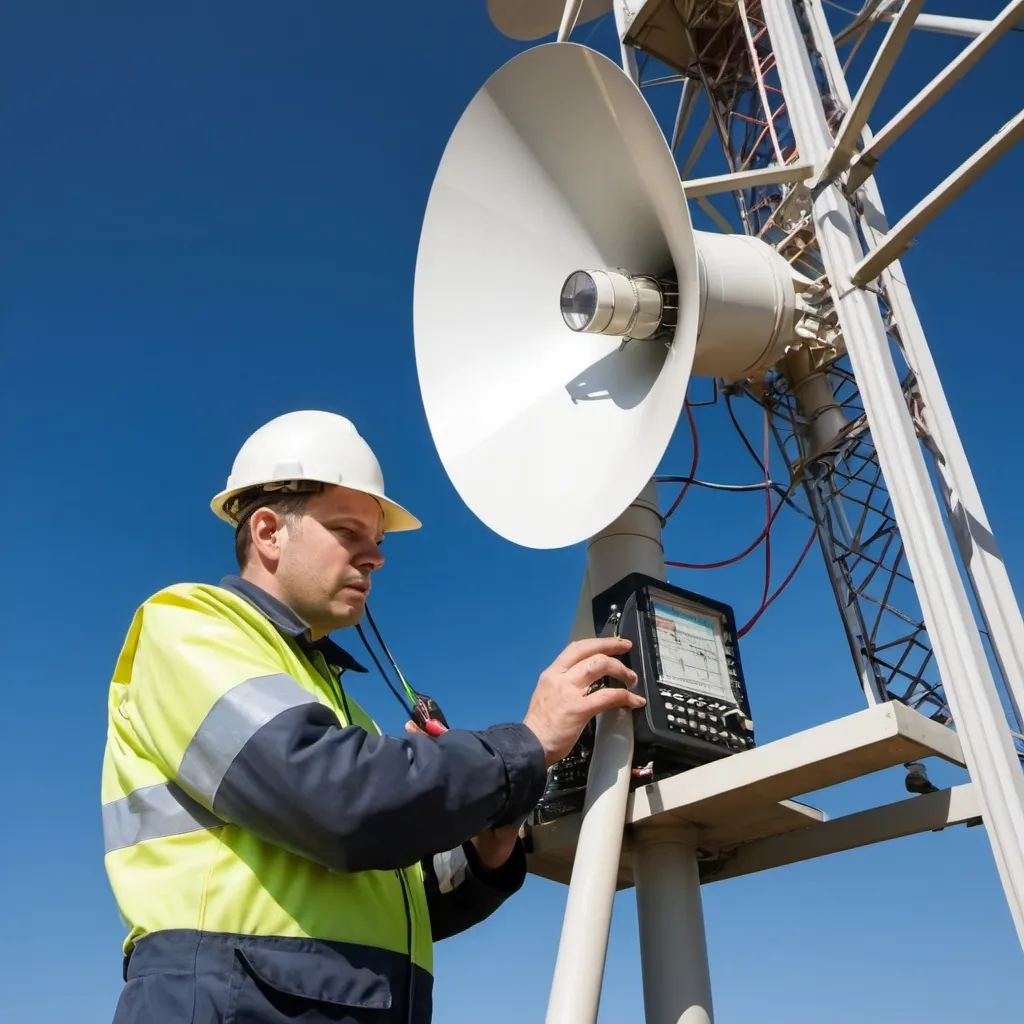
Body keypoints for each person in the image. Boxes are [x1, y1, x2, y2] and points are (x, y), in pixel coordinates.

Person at [101, 409, 645, 1024]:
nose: (375, 558)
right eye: (348, 532)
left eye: (378, 542)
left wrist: (491, 837)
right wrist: (525, 744)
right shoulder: (190, 627)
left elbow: (400, 898)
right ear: (268, 532)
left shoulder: (337, 704)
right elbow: (338, 801)